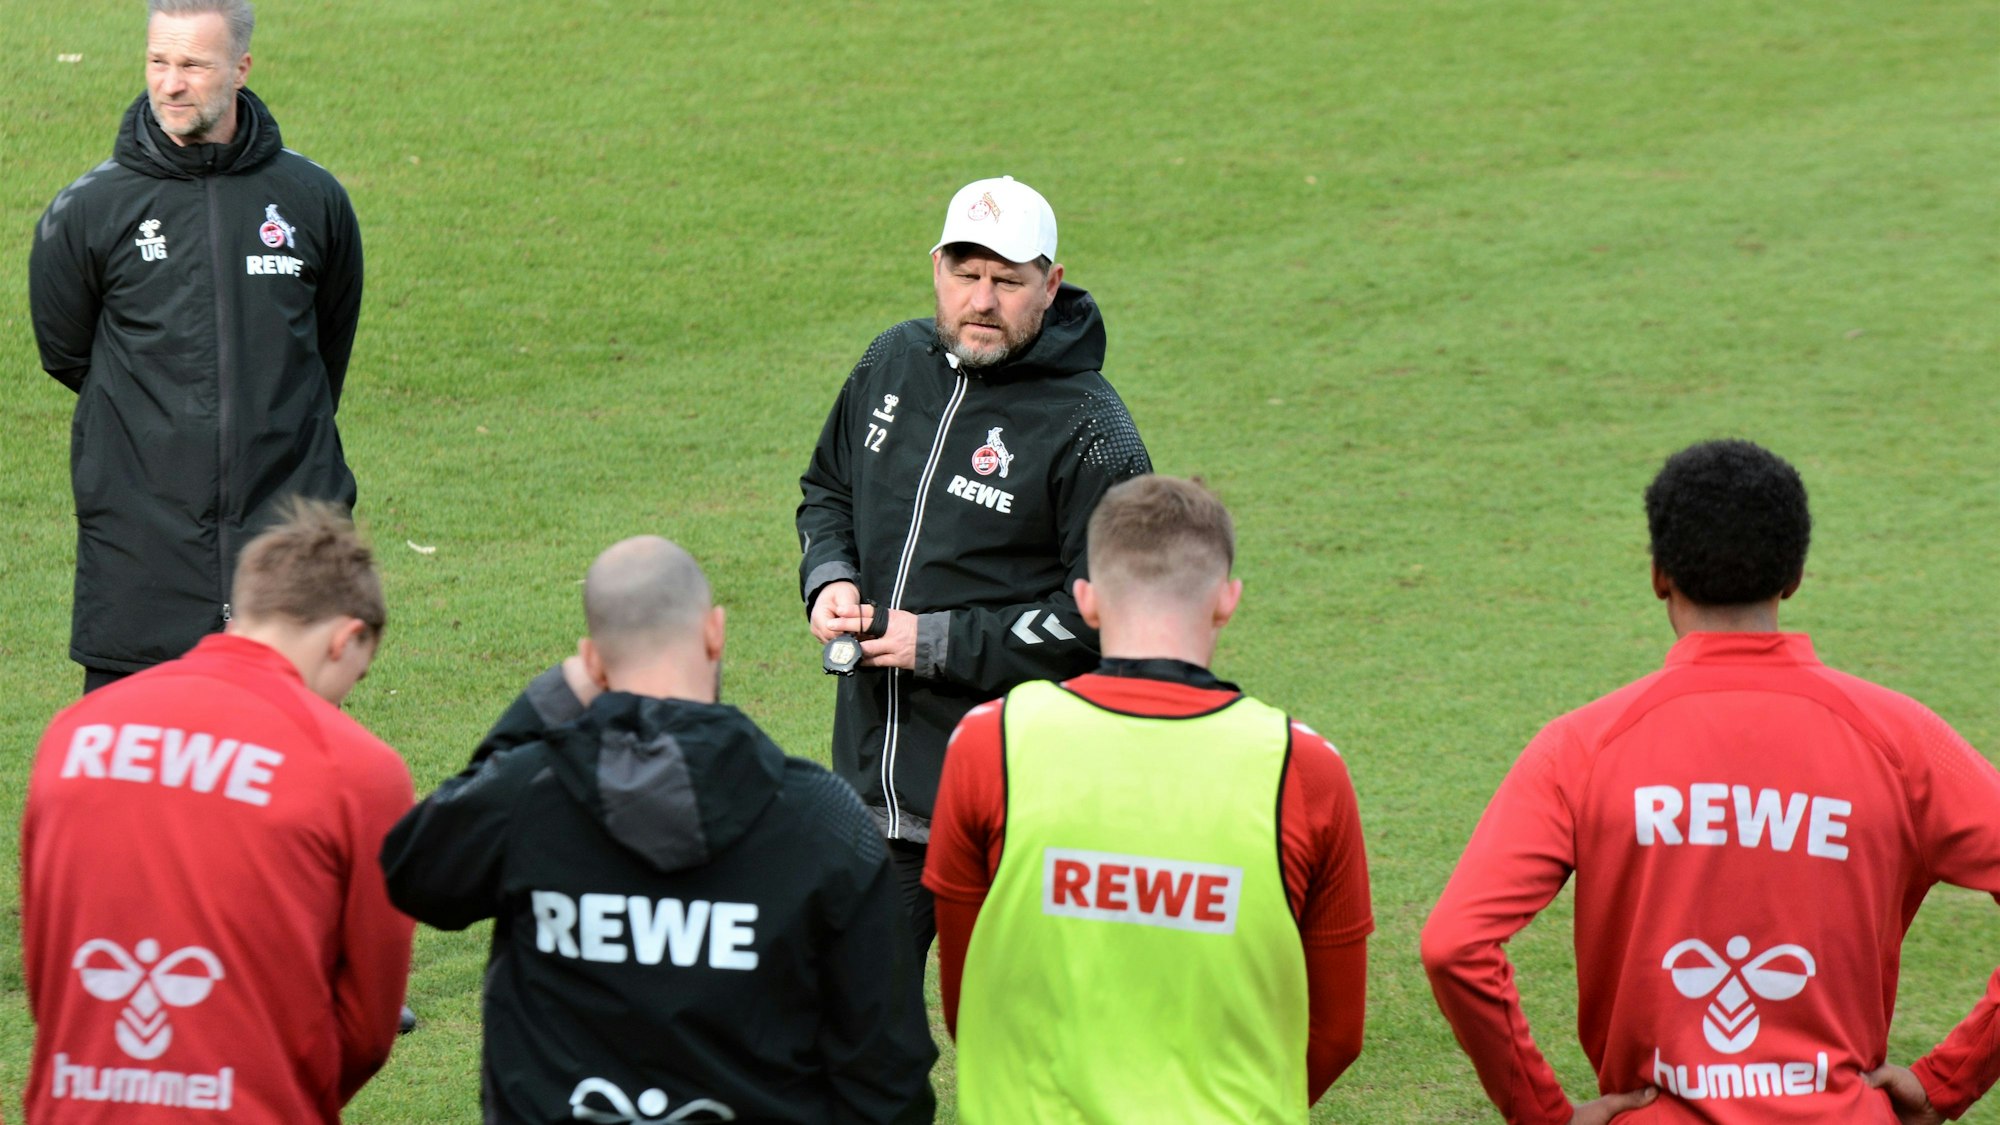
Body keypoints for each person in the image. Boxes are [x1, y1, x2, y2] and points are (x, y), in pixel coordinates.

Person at [1420, 439, 2000, 1124]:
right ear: (1795, 575)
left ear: (1660, 573)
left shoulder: (1581, 747)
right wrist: (1948, 1079)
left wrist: (1541, 1114)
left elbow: (1454, 944)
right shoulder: (1904, 741)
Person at [380, 537, 937, 1124]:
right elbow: (888, 1075)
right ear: (715, 632)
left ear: (593, 662)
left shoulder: (529, 793)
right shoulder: (823, 817)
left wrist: (544, 705)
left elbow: (414, 872)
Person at [925, 475, 1373, 1122]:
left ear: (1087, 599)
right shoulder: (1305, 769)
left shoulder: (989, 742)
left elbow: (972, 995)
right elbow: (1336, 1033)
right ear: (1227, 601)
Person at [796, 174, 1152, 954]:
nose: (982, 300)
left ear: (1050, 285)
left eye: (1007, 280)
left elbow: (1113, 618)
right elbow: (828, 488)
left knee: (1022, 1039)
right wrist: (831, 576)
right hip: (874, 802)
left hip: (1015, 813)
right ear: (936, 269)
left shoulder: (1093, 429)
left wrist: (940, 641)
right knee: (845, 1039)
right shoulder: (891, 361)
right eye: (965, 273)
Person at [21, 498, 412, 1122]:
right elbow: (367, 1025)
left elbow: (48, 959)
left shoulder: (74, 732)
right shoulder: (356, 768)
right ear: (347, 639)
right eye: (357, 677)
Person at [30, 0, 365, 692]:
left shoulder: (311, 198)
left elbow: (323, 350)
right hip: (143, 556)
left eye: (192, 65)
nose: (170, 84)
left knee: (284, 786)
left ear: (240, 68)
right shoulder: (91, 209)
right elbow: (68, 353)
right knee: (137, 787)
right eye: (158, 61)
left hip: (286, 553)